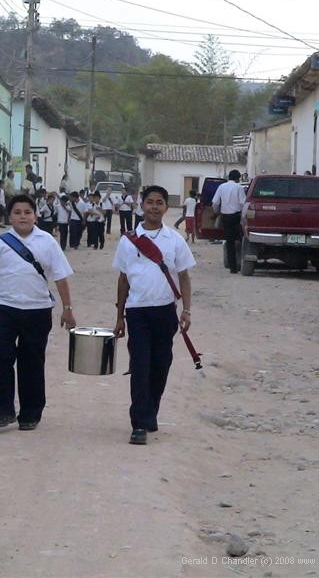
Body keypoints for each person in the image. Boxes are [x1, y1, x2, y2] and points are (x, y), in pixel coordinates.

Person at [0, 194, 77, 431]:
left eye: (27, 212)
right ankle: (2, 412)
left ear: (35, 215)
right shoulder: (0, 244)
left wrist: (67, 309)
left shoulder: (48, 242)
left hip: (37, 311)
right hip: (5, 310)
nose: (23, 216)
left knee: (31, 362)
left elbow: (60, 277)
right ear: (10, 216)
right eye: (18, 212)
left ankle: (30, 414)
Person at [113, 185, 196, 445]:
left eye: (160, 202)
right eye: (150, 202)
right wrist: (119, 316)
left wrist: (187, 310)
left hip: (165, 312)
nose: (154, 207)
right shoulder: (128, 241)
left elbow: (183, 276)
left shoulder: (175, 240)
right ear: (142, 205)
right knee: (140, 366)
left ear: (166, 208)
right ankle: (138, 423)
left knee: (161, 365)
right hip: (137, 312)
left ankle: (150, 412)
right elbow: (123, 279)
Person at [211, 169, 246, 274]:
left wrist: (217, 213)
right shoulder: (239, 187)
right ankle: (241, 263)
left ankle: (233, 268)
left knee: (229, 242)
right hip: (236, 216)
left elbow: (215, 203)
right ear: (237, 178)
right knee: (240, 240)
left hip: (225, 217)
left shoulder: (221, 187)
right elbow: (243, 203)